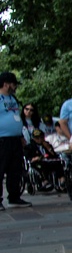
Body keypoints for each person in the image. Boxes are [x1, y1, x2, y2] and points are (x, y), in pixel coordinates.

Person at [0, 71, 30, 209]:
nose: (15, 87)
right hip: (2, 139)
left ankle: (14, 196)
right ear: (6, 84)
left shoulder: (13, 99)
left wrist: (21, 135)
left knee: (15, 169)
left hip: (15, 138)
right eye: (13, 84)